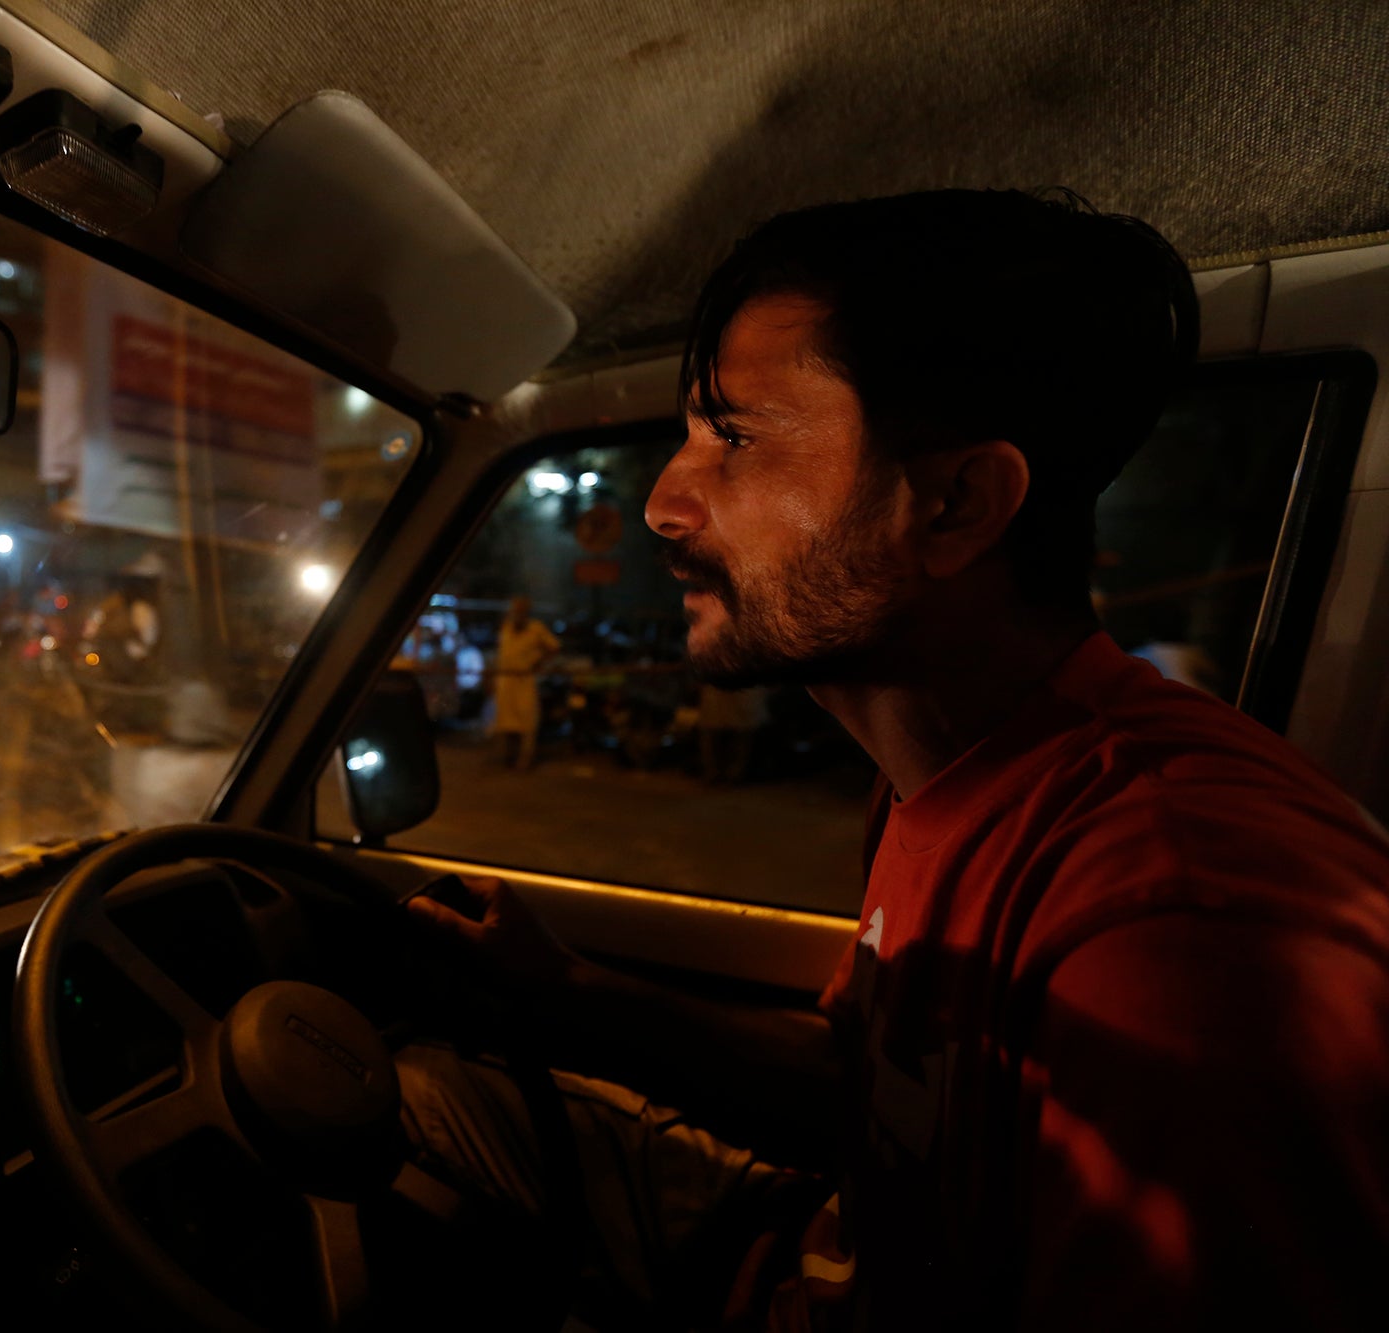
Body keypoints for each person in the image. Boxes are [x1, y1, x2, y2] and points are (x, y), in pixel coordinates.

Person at [401, 189, 1389, 1331]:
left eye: (731, 437)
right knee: (424, 1096)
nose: (665, 506)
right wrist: (568, 993)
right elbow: (877, 1091)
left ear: (955, 504)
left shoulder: (1180, 934)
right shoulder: (946, 771)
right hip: (816, 1256)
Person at [492, 595, 561, 770]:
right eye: (514, 610)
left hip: (524, 681)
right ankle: (507, 757)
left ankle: (525, 758)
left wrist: (538, 663)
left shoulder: (536, 628)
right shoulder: (506, 628)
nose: (517, 614)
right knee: (505, 721)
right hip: (506, 682)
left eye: (520, 610)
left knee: (527, 721)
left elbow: (554, 647)